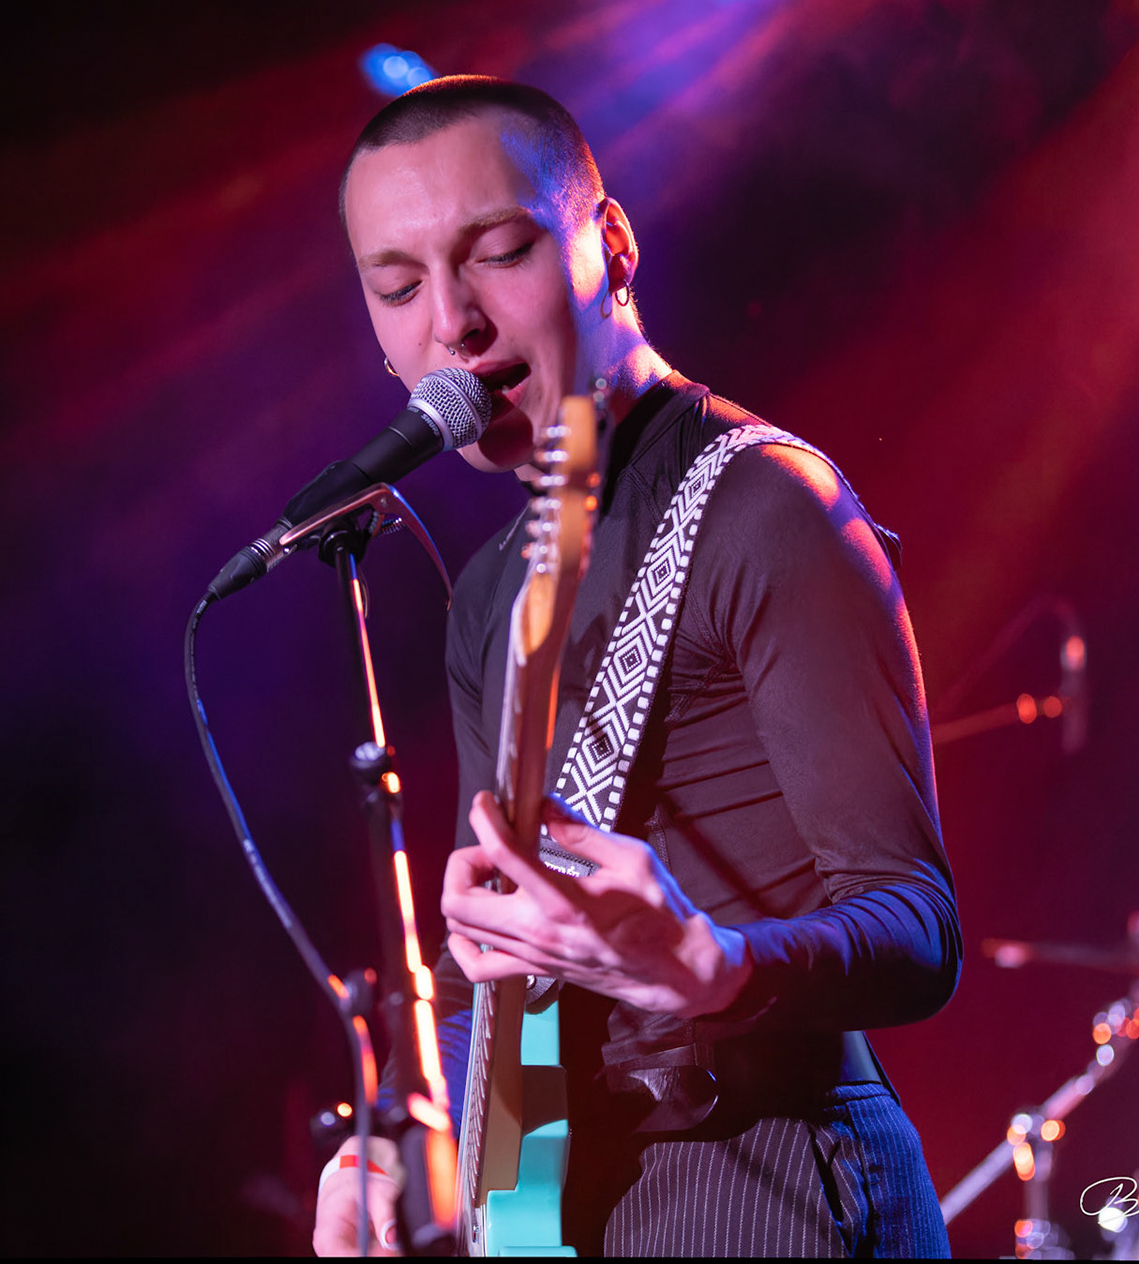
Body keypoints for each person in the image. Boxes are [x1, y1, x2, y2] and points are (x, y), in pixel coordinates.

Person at [312, 76, 959, 1258]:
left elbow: (921, 929)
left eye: (498, 252)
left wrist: (714, 967)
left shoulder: (771, 505)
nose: (448, 323)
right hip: (562, 1200)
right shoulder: (490, 592)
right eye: (397, 286)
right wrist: (398, 1147)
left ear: (607, 244)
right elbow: (490, 962)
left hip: (765, 1174)